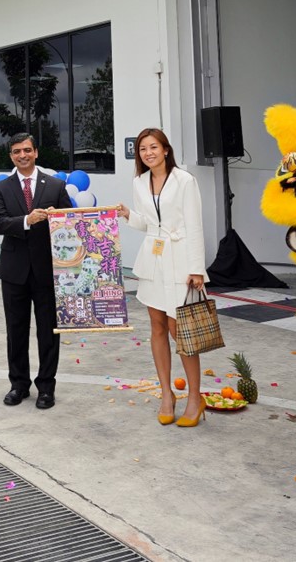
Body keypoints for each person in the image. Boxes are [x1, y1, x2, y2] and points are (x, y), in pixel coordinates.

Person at [117, 127, 208, 427]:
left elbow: (194, 225)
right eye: (143, 149)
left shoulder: (185, 181)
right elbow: (146, 223)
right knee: (157, 326)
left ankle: (195, 397)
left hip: (181, 261)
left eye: (154, 147)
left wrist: (197, 269)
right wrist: (128, 214)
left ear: (166, 150)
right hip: (153, 260)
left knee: (179, 331)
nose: (148, 153)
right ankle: (166, 395)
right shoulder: (139, 182)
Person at [0, 133, 71, 409]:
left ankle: (46, 387)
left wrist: (55, 219)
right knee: (16, 330)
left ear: (36, 152)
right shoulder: (2, 187)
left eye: (27, 150)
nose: (22, 155)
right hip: (14, 272)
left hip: (48, 271)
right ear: (11, 156)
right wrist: (27, 220)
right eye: (16, 152)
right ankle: (19, 385)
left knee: (49, 332)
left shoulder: (56, 185)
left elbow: (69, 223)